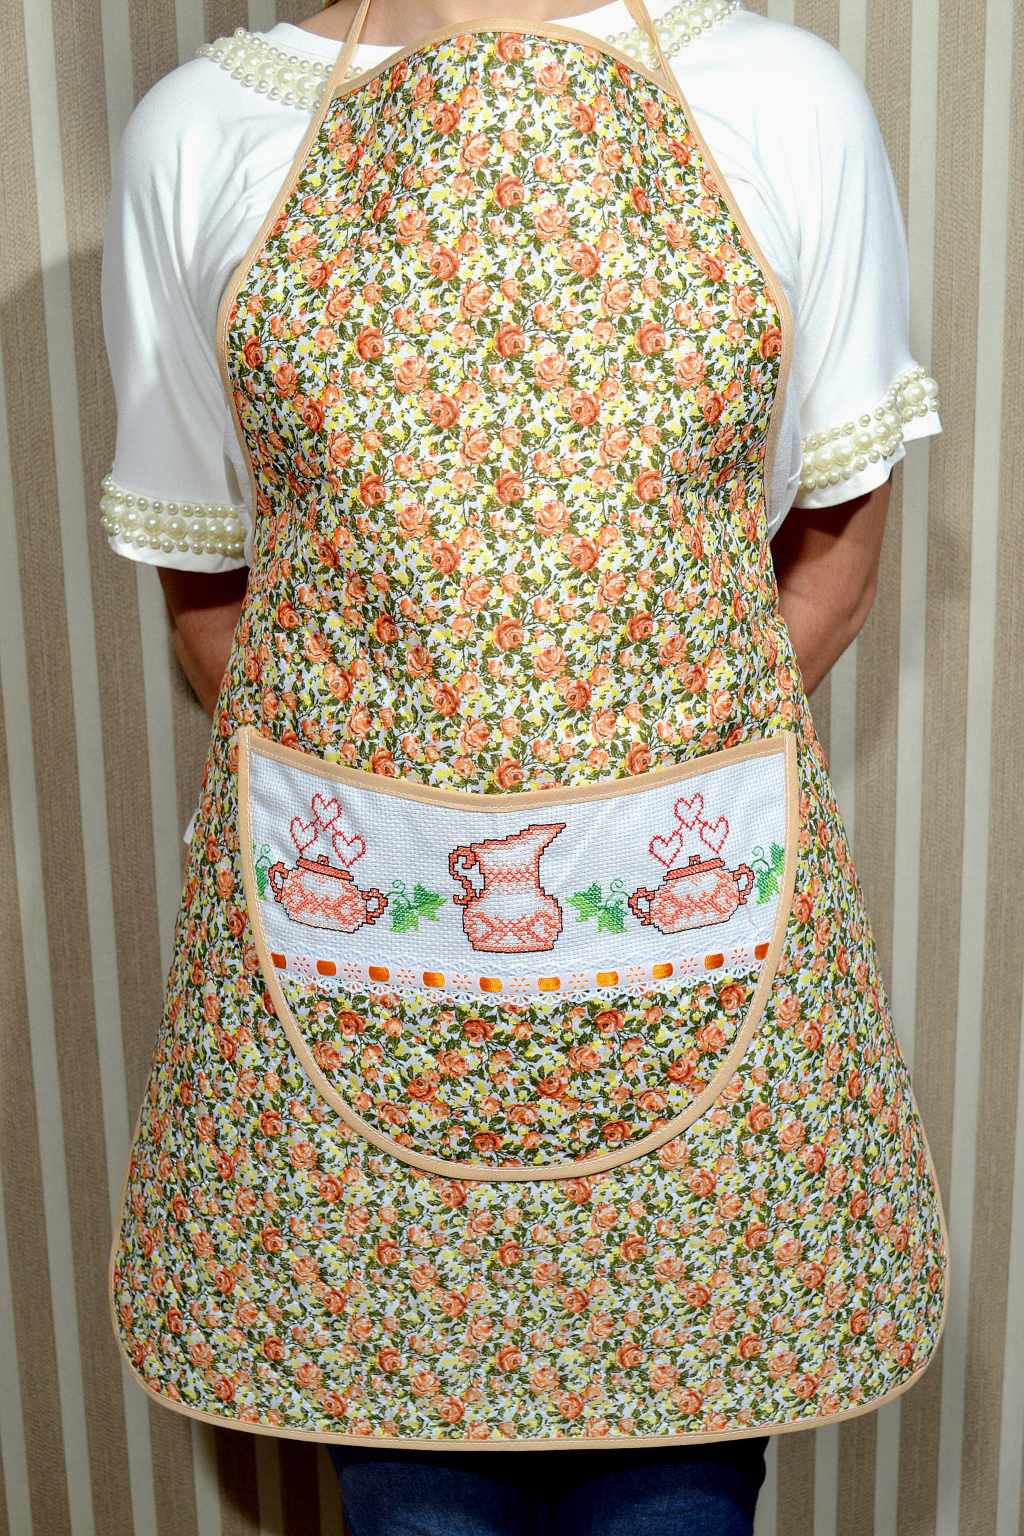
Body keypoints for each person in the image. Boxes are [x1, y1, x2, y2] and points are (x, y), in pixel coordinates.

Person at [99, 0, 949, 1531]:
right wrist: (383, 829)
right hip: (369, 1006)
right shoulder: (203, 134)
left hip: (686, 995)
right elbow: (216, 598)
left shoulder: (785, 102)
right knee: (407, 1496)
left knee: (681, 1497)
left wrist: (627, 790)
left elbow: (834, 556)